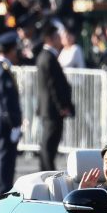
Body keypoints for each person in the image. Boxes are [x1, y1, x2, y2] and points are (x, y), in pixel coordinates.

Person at [36, 21, 74, 171]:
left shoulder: (45, 57)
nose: (60, 39)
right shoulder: (48, 58)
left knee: (48, 144)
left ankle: (46, 170)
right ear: (51, 38)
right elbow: (53, 87)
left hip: (49, 109)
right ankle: (47, 172)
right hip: (52, 109)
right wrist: (62, 107)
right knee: (49, 145)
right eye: (57, 36)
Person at [0, 32, 23, 195]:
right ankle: (2, 192)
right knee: (5, 161)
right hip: (6, 124)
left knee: (3, 160)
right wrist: (14, 125)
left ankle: (1, 190)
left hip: (2, 122)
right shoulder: (2, 70)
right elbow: (6, 102)